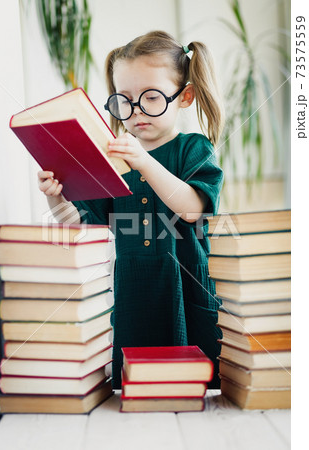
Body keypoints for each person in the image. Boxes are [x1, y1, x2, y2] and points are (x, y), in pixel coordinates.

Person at [38, 30, 224, 388]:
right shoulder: (113, 161)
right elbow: (83, 226)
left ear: (184, 96)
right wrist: (56, 199)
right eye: (124, 100)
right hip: (133, 295)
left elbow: (191, 208)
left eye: (151, 98)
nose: (136, 112)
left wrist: (143, 161)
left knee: (198, 389)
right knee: (135, 385)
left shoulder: (193, 149)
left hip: (187, 291)